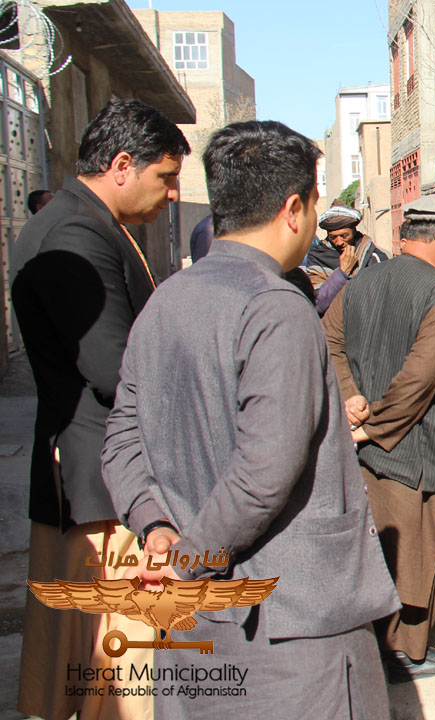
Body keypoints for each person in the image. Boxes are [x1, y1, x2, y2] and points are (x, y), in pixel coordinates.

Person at [101, 120, 399, 718]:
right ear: (294, 208)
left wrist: (156, 527)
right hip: (286, 625)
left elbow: (121, 438)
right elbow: (264, 473)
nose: (316, 220)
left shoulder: (168, 299)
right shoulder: (275, 308)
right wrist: (189, 557)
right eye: (316, 204)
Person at [12, 97, 188, 720]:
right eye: (166, 178)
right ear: (121, 164)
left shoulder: (82, 221)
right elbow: (116, 367)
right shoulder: (77, 232)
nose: (171, 196)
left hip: (89, 467)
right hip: (103, 480)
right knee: (122, 666)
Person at [324, 192, 435, 681]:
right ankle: (407, 654)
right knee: (421, 553)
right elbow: (418, 383)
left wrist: (351, 396)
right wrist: (371, 425)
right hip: (420, 451)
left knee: (392, 550)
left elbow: (328, 339)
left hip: (379, 449)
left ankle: (392, 645)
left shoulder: (362, 281)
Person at [307, 205, 387, 314]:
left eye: (344, 236)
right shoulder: (318, 257)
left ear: (354, 232)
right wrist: (342, 273)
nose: (339, 242)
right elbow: (319, 303)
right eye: (333, 237)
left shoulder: (374, 256)